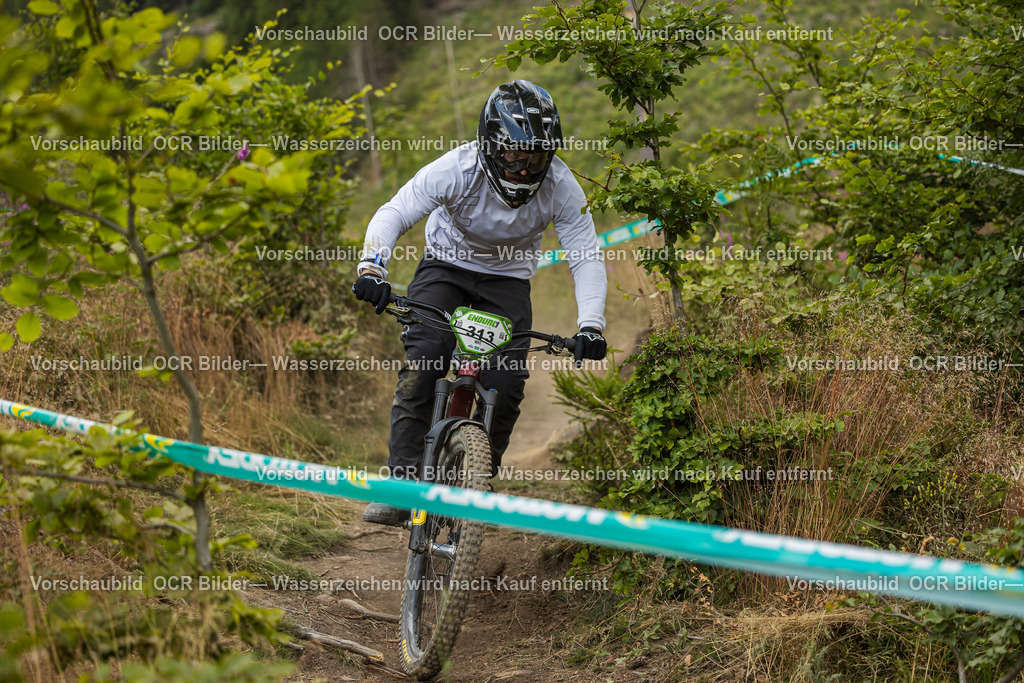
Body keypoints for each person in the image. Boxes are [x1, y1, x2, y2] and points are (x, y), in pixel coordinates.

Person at [352, 79, 607, 525]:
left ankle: (479, 487)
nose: (524, 169)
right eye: (513, 154)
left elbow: (585, 255)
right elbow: (394, 212)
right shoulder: (457, 168)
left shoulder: (562, 187)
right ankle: (401, 486)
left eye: (535, 158)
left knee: (506, 384)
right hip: (444, 269)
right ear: (490, 146)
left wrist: (592, 325)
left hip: (507, 282)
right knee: (426, 358)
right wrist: (372, 269)